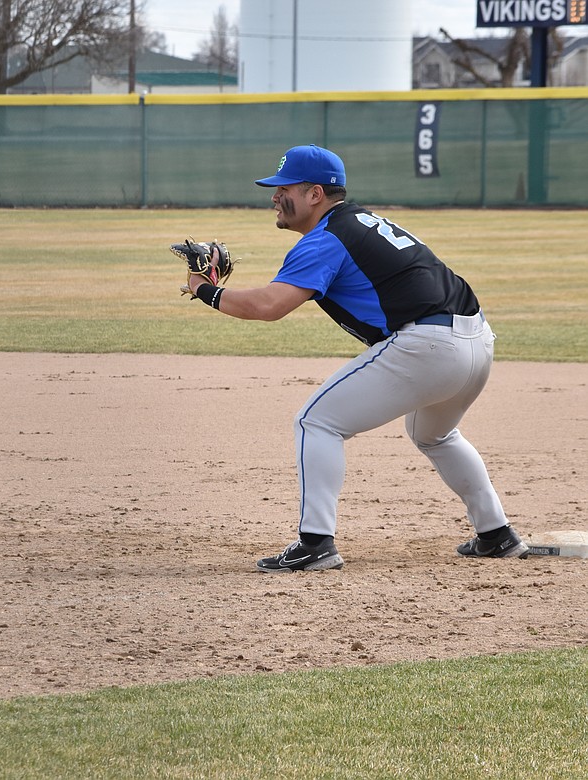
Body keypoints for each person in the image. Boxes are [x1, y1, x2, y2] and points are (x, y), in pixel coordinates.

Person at [182, 144, 526, 572]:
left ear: (315, 195)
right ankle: (496, 534)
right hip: (476, 342)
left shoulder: (327, 237)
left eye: (283, 187)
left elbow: (269, 306)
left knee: (316, 422)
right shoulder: (362, 222)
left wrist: (204, 290)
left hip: (430, 347)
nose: (274, 196)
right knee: (434, 434)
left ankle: (315, 543)